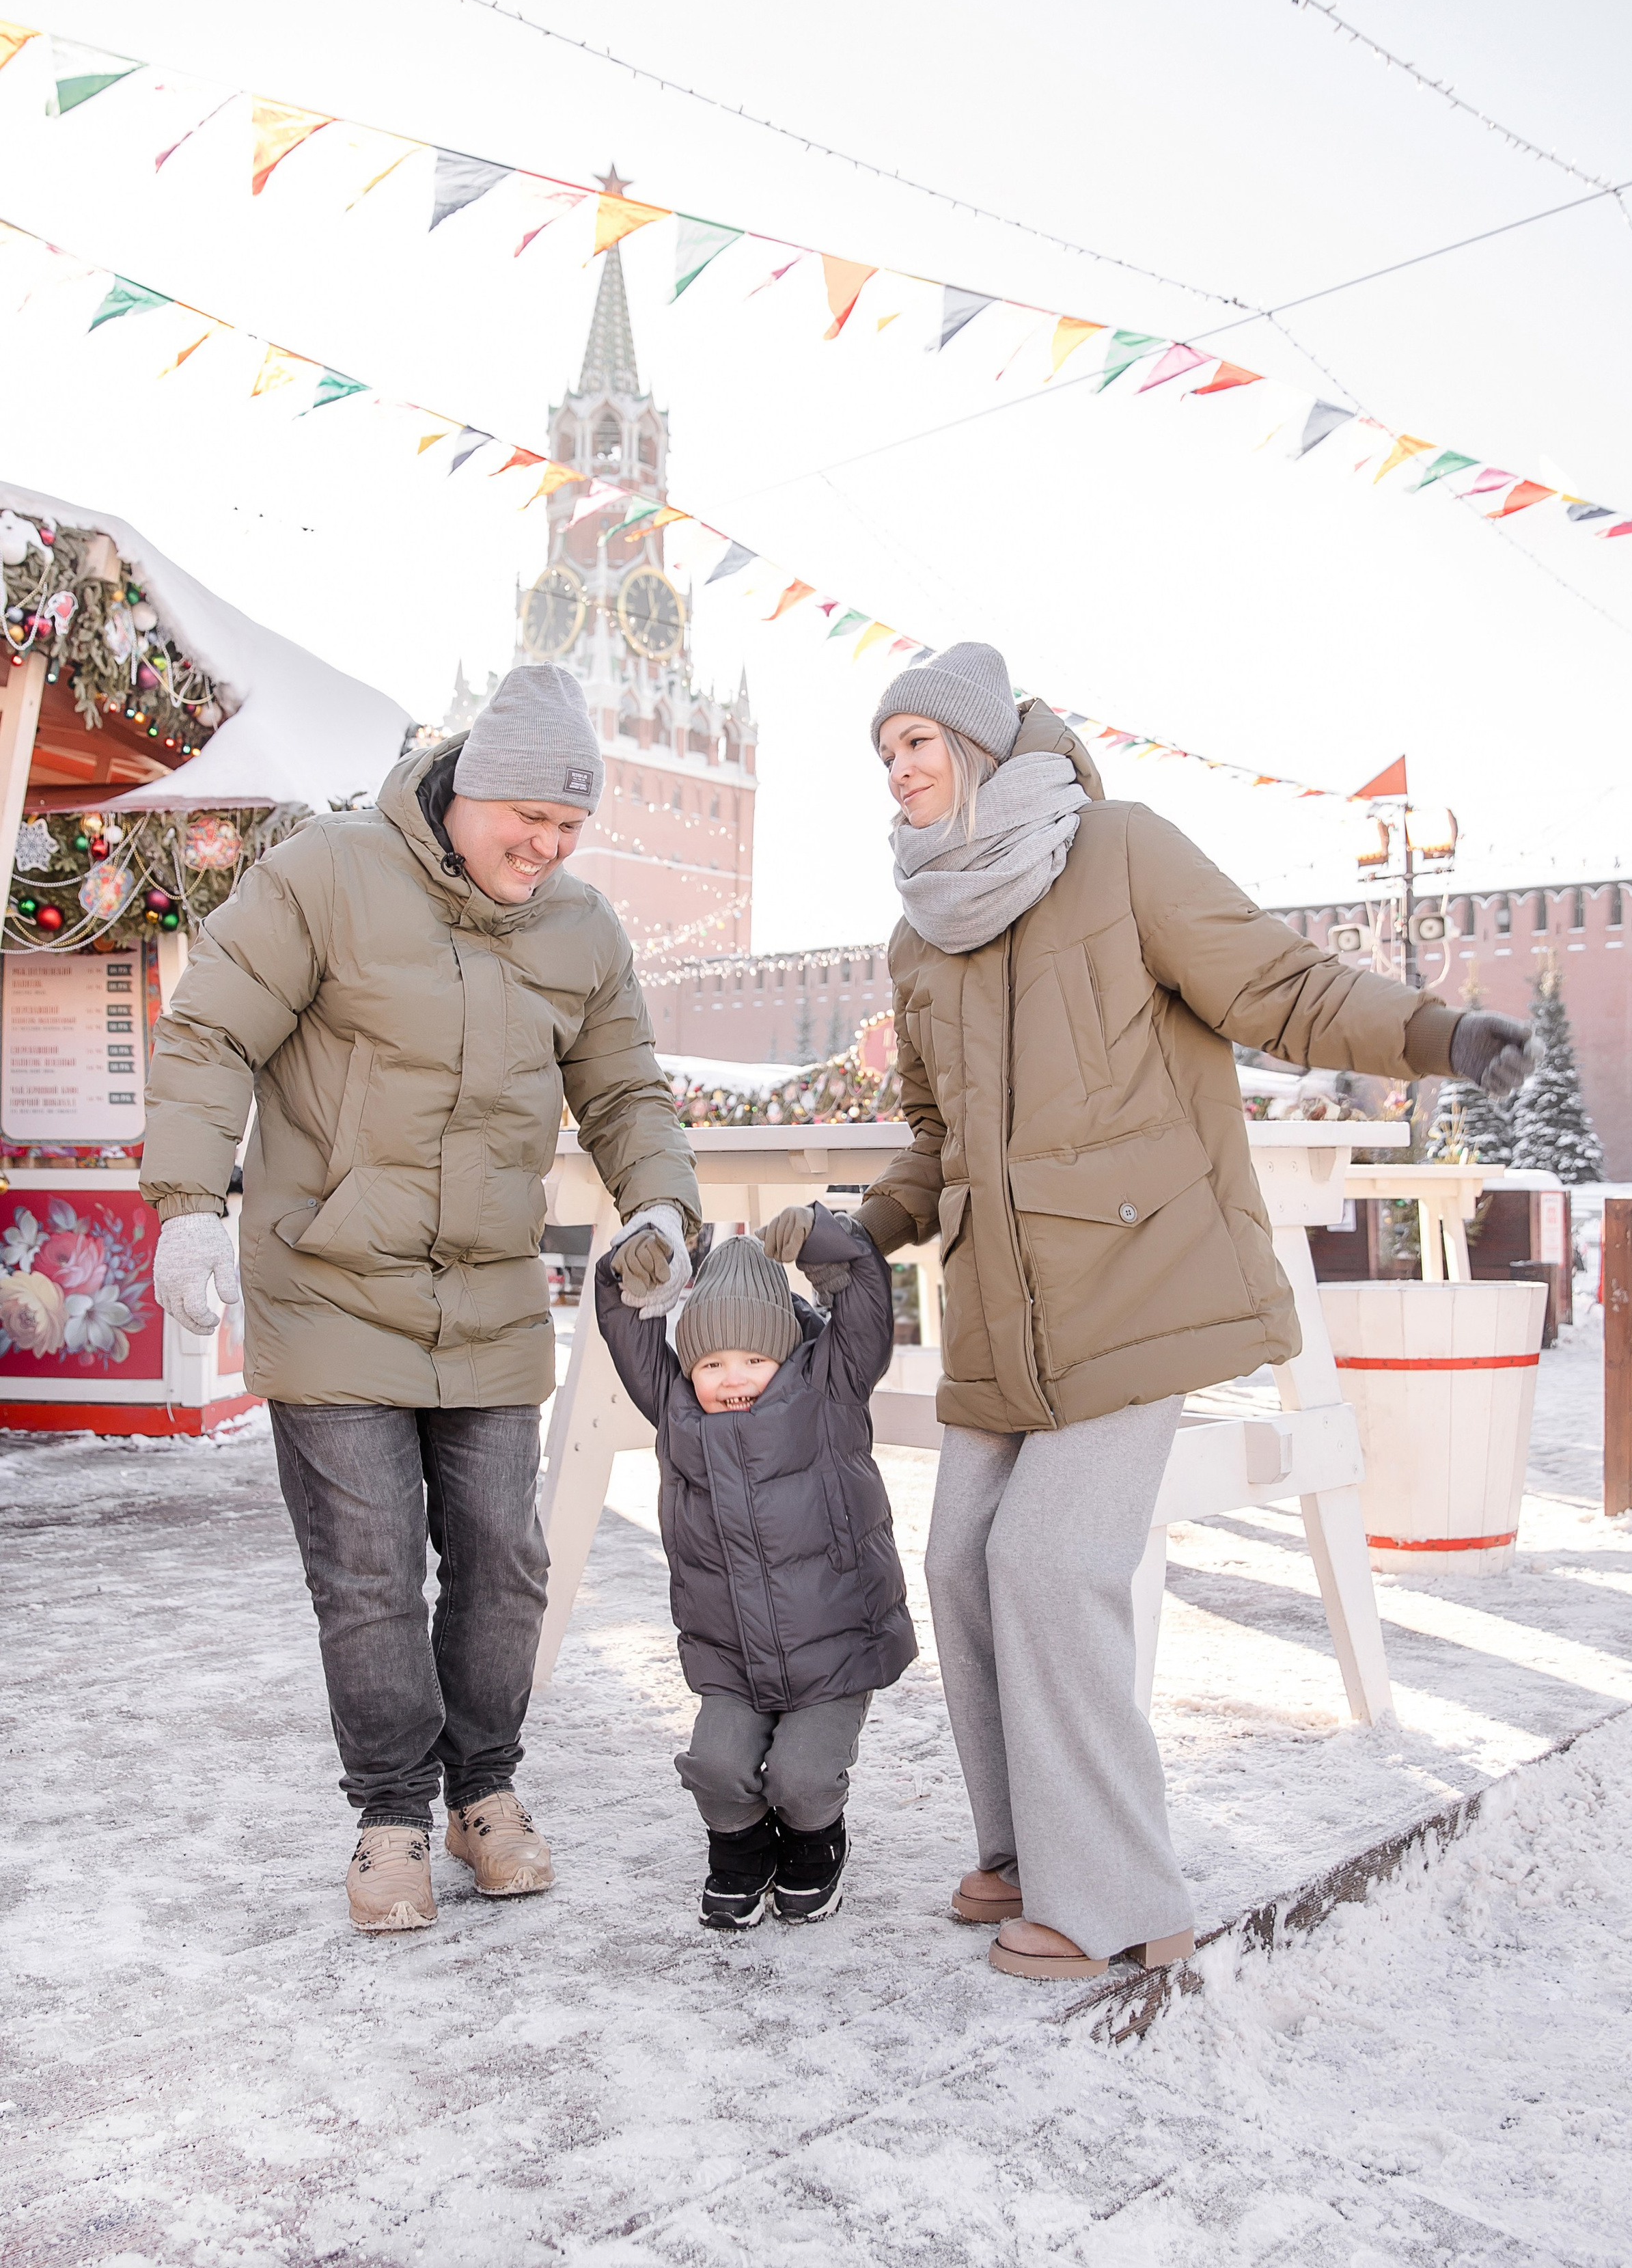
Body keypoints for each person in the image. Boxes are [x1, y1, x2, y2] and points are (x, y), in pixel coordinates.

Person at [855, 642, 1533, 1982]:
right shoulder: (914, 933)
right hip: (1002, 1303)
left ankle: (1118, 1902)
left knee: (1051, 1563)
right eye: (883, 753)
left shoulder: (1114, 852)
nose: (899, 768)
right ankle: (1019, 1851)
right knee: (959, 1564)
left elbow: (1273, 984)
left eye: (918, 741)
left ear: (984, 746)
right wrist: (858, 1229)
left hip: (1138, 1271)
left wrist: (1433, 1033)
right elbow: (931, 1141)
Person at [142, 665, 700, 1933]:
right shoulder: (328, 874)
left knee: (506, 1562)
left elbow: (628, 1094)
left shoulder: (583, 930)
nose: (548, 849)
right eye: (530, 822)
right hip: (332, 1283)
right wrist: (187, 1202)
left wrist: (661, 1205)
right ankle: (392, 1811)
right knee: (372, 1571)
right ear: (471, 789)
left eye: (570, 830)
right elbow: (211, 1028)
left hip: (492, 1299)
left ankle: (484, 1792)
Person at [594, 1206, 916, 1929]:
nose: (732, 1378)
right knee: (714, 1764)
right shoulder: (678, 1411)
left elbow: (864, 1289)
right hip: (734, 1658)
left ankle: (814, 1843)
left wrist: (824, 1243)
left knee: (802, 1776)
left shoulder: (829, 1391)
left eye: (752, 1360)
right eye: (711, 1362)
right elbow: (620, 1310)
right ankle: (740, 1848)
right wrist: (637, 1264)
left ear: (786, 1353)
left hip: (833, 1651)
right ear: (687, 1367)